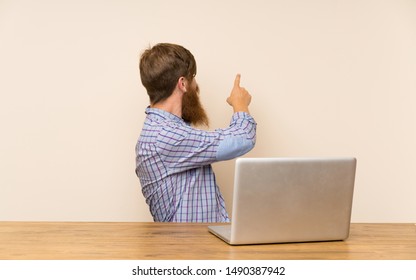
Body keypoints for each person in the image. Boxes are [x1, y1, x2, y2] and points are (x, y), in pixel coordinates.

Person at [135, 43, 256, 222]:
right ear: (182, 83)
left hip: (200, 245)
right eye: (193, 78)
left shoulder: (167, 129)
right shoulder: (166, 135)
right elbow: (243, 138)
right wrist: (240, 104)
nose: (196, 84)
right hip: (189, 247)